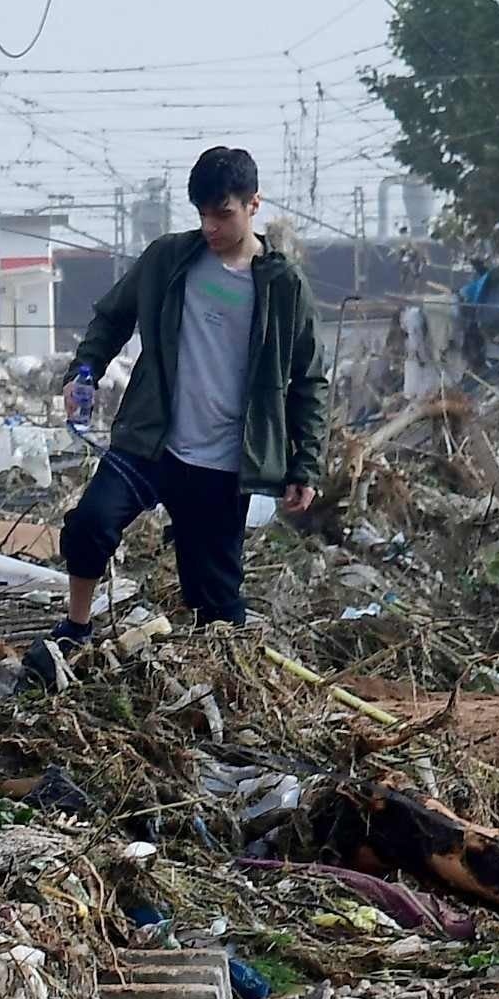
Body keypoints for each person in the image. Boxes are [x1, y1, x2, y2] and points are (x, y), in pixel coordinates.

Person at [43, 145, 323, 647]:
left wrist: (305, 465)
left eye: (223, 213)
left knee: (215, 606)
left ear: (253, 204)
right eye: (202, 214)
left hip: (222, 463)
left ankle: (216, 689)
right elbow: (112, 317)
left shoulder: (283, 285)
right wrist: (83, 372)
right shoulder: (169, 259)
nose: (211, 226)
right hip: (151, 440)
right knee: (89, 525)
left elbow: (308, 380)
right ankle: (76, 628)